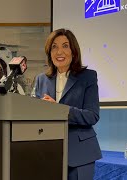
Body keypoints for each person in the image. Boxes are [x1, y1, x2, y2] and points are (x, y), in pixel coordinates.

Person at [34, 28, 102, 180]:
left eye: (65, 46)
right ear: (49, 52)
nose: (59, 52)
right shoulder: (41, 79)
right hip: (48, 154)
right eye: (54, 47)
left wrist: (59, 110)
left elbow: (92, 116)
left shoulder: (88, 77)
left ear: (73, 51)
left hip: (80, 155)